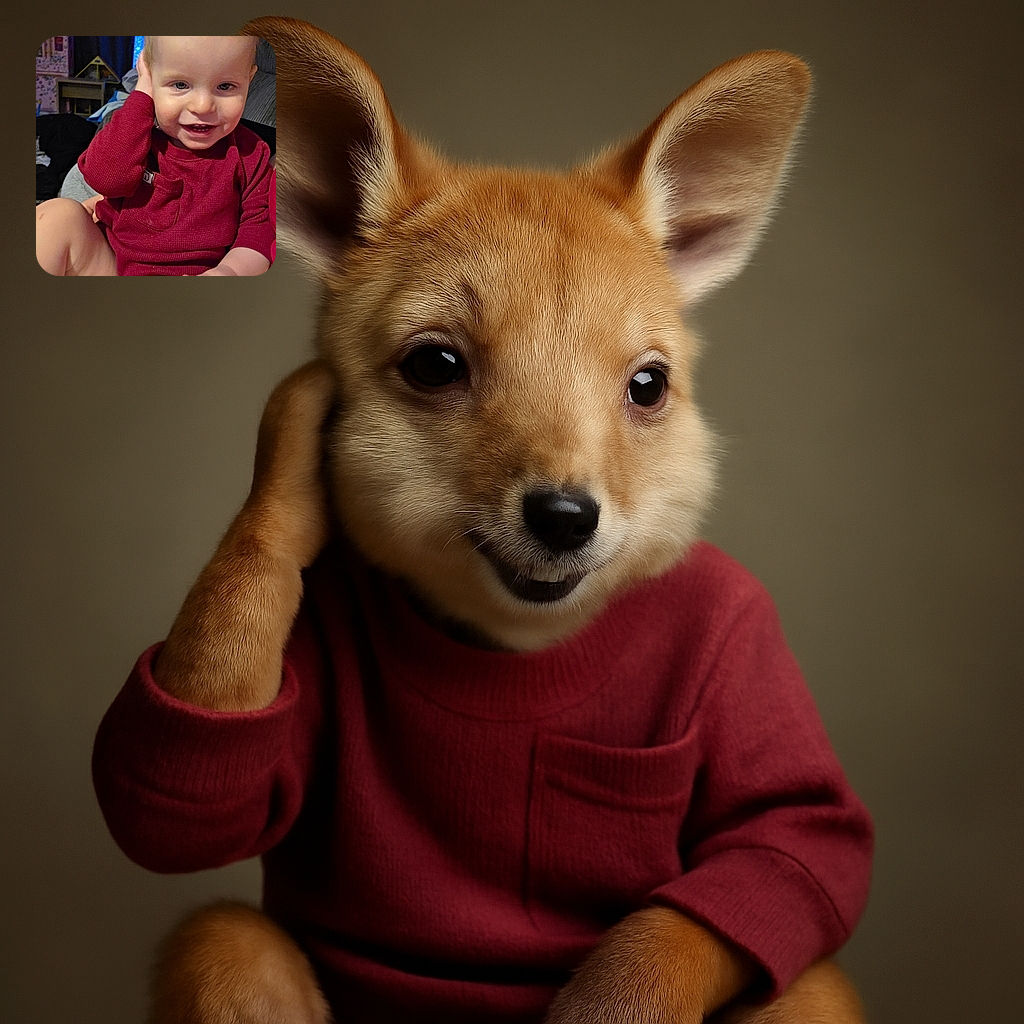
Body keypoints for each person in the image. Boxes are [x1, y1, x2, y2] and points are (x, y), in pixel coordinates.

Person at [35, 36, 274, 276]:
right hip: (113, 265)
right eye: (180, 85)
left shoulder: (252, 153)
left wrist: (228, 272)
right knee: (57, 216)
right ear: (150, 78)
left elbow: (258, 233)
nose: (202, 106)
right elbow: (104, 180)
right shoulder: (137, 132)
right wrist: (142, 96)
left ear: (249, 80)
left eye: (225, 86)